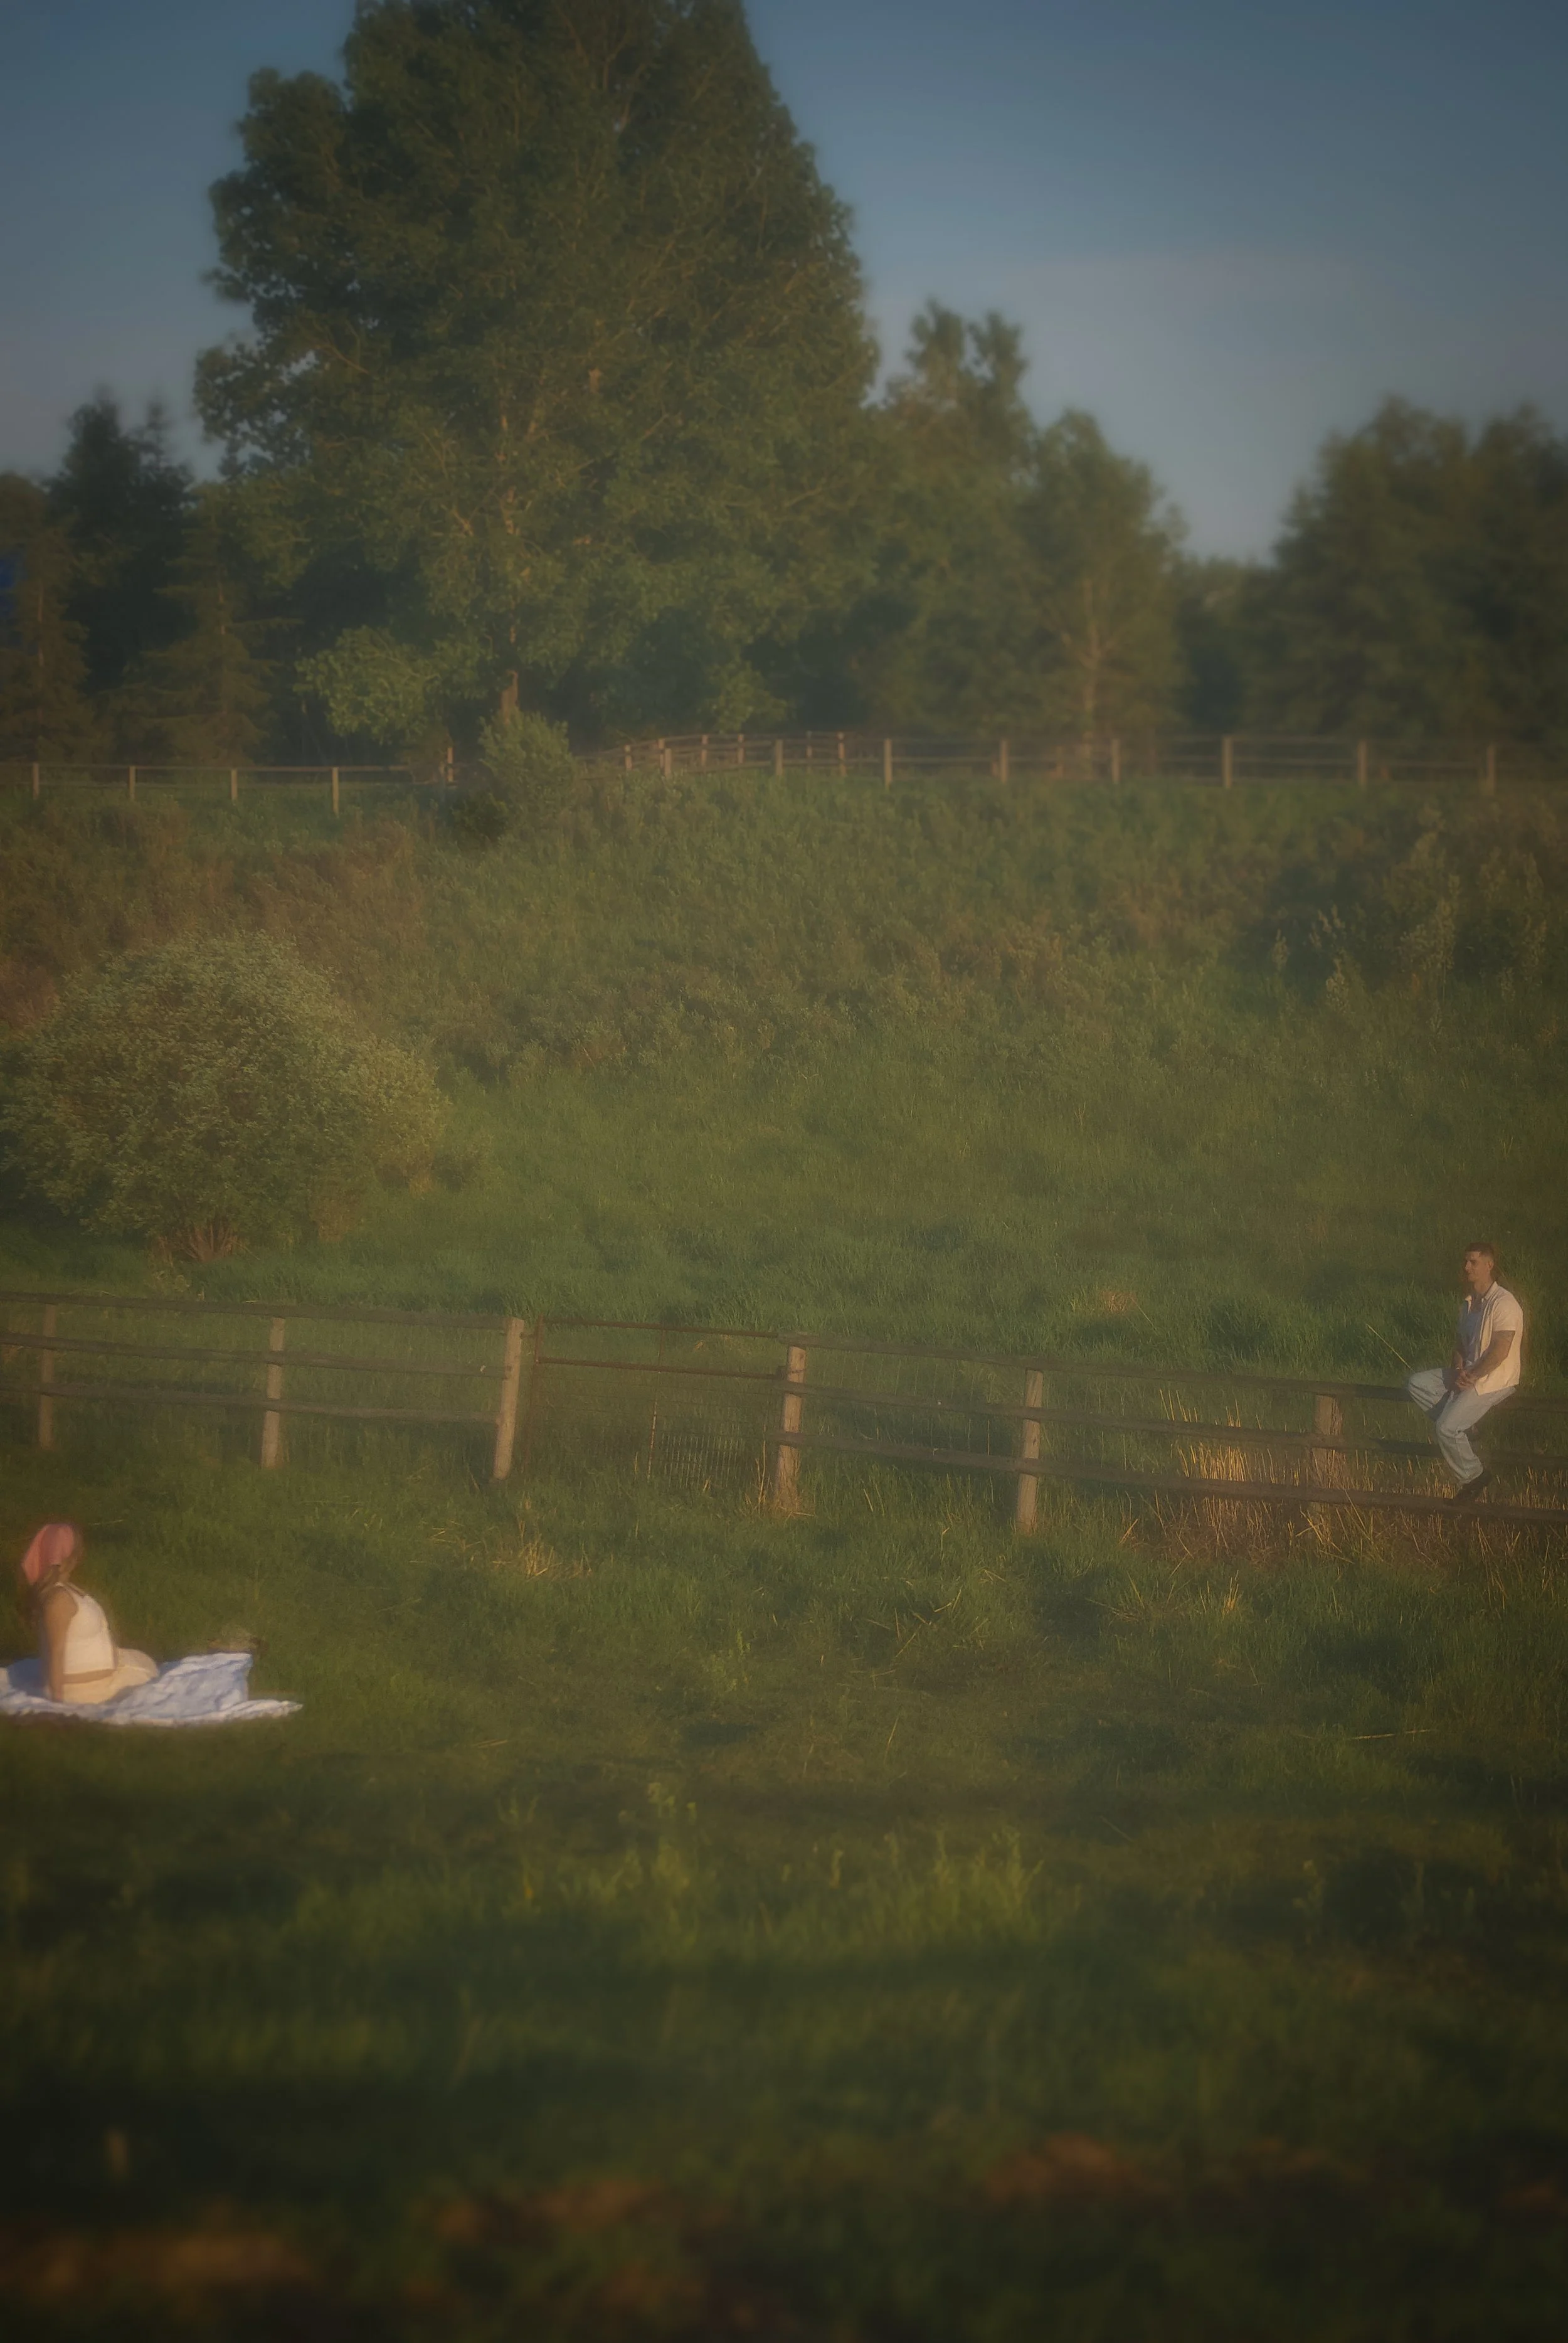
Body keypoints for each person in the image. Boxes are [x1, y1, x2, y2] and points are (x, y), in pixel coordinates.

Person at [1405, 1243, 1524, 1504]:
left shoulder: (1504, 1303)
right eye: (1465, 1262)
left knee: (1446, 1429)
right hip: (1469, 1371)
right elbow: (1461, 1345)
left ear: (1489, 1265)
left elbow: (1501, 1350)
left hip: (1495, 1379)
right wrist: (1459, 1370)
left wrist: (1471, 1377)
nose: (1466, 1267)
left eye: (1473, 1262)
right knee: (1417, 1384)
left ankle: (1474, 1477)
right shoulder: (1469, 1304)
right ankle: (1466, 1426)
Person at [18, 1522, 157, 1704]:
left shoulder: (66, 1590)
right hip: (85, 1690)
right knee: (148, 1670)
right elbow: (56, 1651)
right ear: (70, 1555)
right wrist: (57, 1703)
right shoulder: (58, 1600)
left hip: (96, 1680)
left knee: (144, 1660)